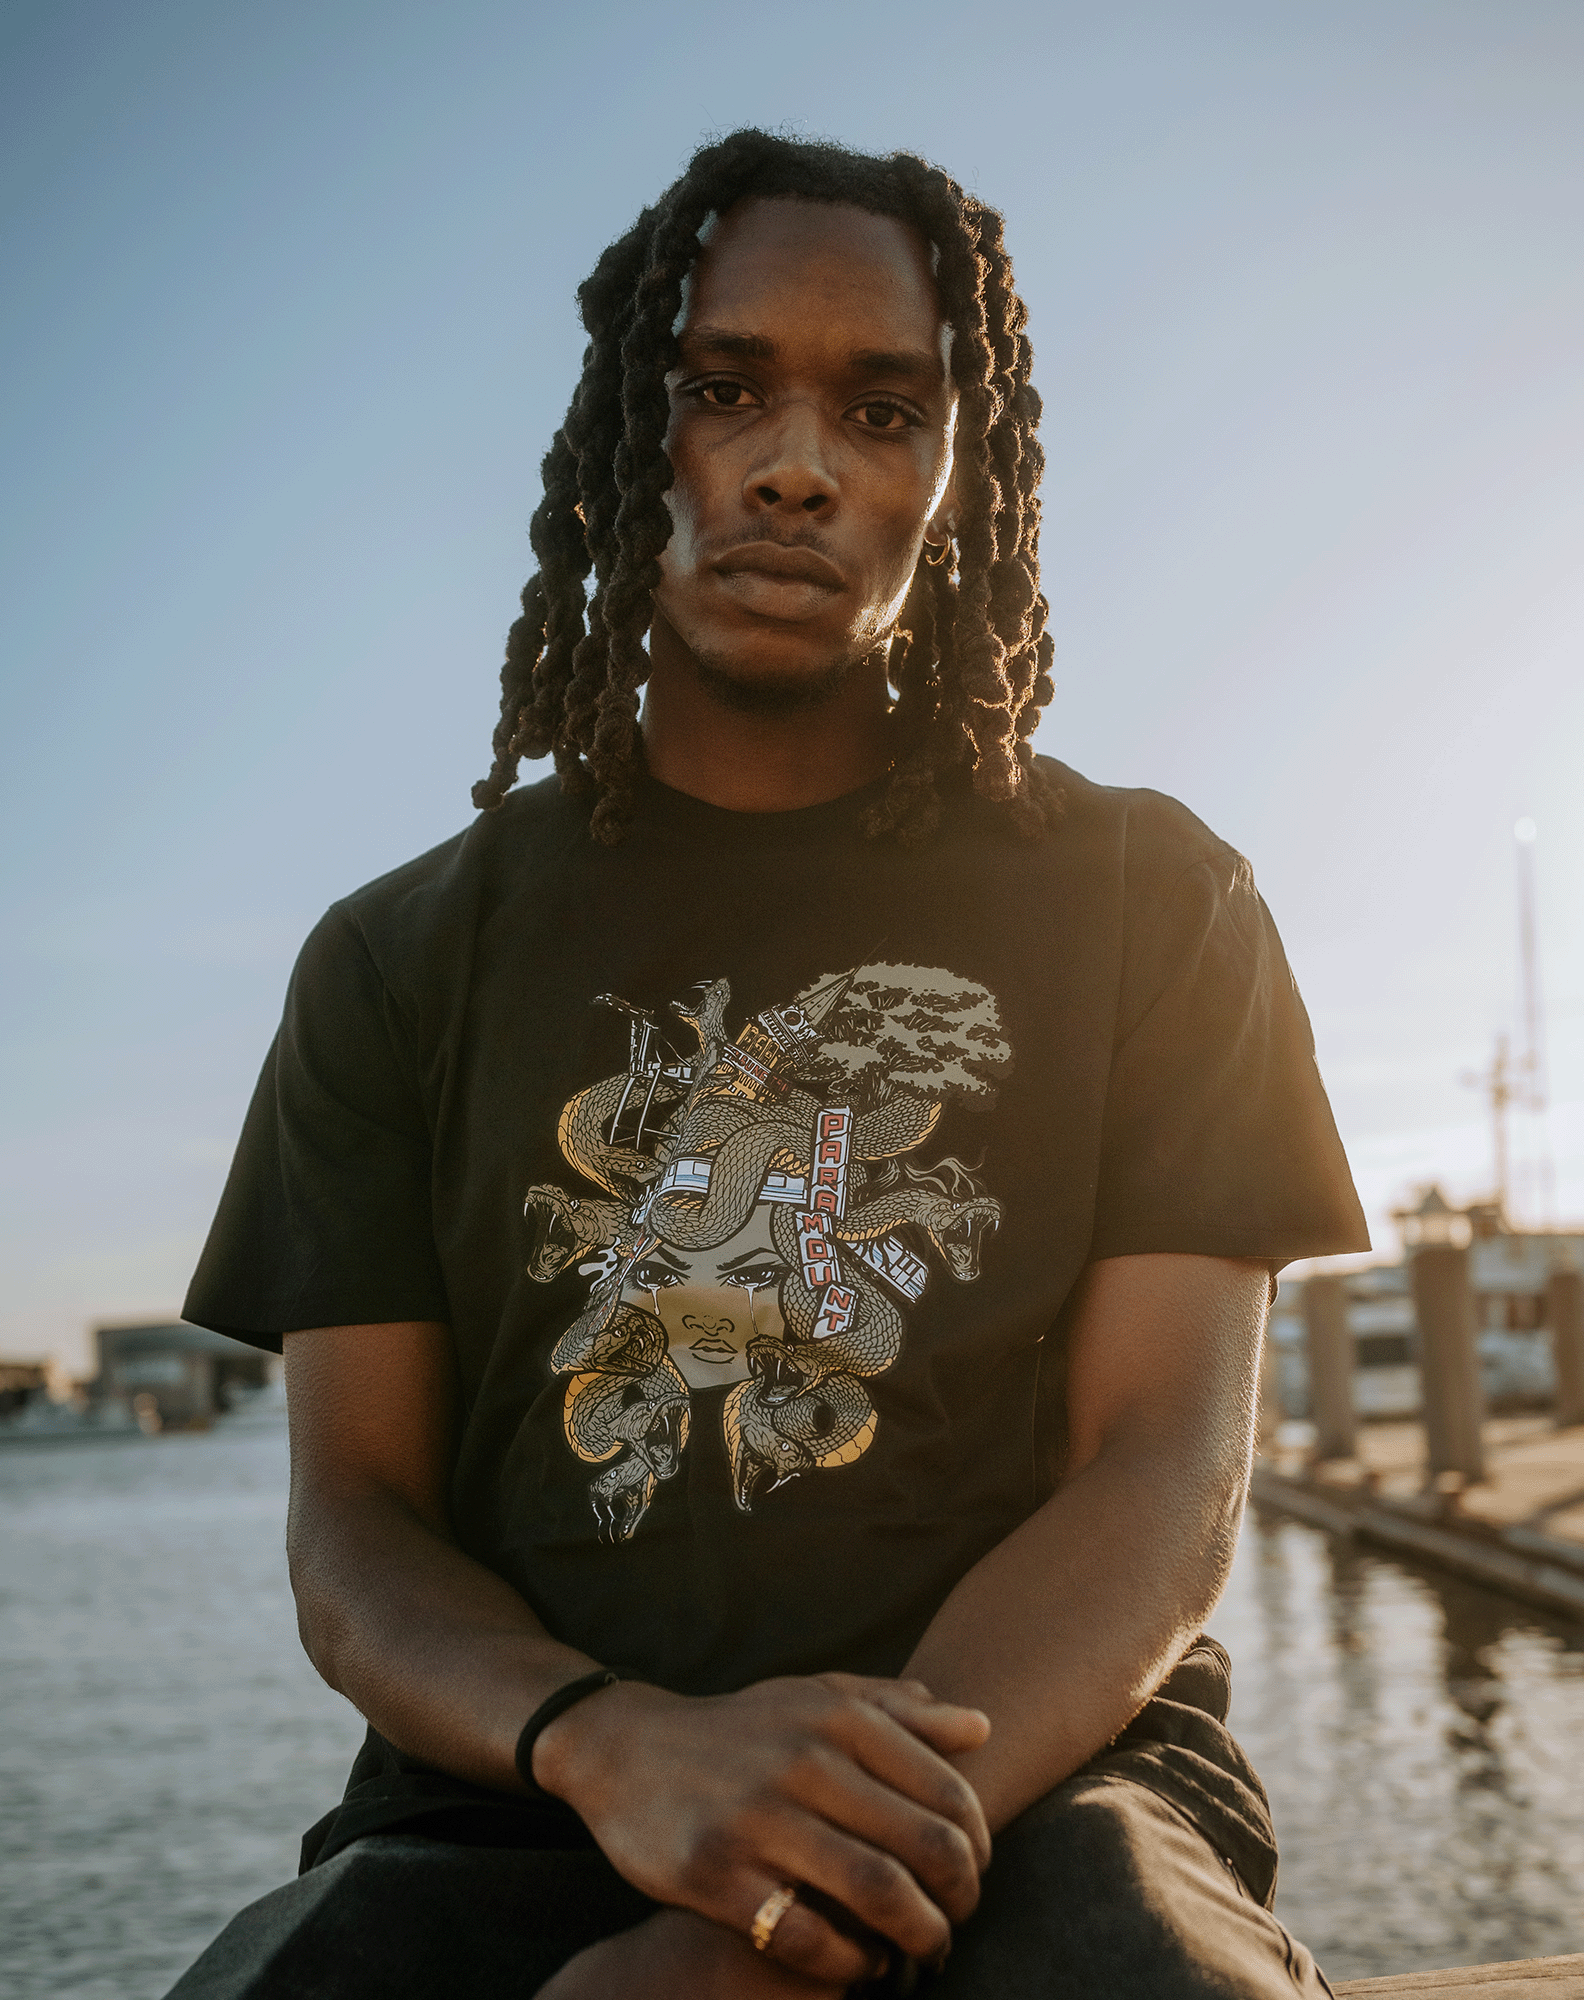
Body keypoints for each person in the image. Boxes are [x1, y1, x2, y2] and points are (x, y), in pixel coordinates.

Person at [168, 130, 1369, 2000]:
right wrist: (611, 1742)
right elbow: (356, 1532)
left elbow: (1163, 1478)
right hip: (518, 1797)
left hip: (1040, 1785)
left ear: (959, 480)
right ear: (620, 439)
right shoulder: (396, 959)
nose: (799, 464)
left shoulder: (1158, 900)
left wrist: (786, 1919)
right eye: (725, 390)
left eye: (885, 412)